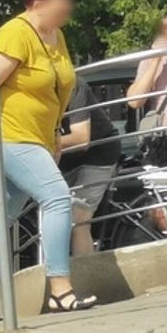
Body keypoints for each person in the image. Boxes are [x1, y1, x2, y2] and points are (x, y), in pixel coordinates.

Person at [0, 0, 96, 322]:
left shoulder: (57, 35)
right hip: (7, 136)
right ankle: (60, 289)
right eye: (63, 1)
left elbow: (58, 89)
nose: (69, 8)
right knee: (57, 197)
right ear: (40, 2)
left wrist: (52, 137)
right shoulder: (16, 33)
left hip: (35, 137)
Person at [126, 8, 167, 238]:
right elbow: (135, 101)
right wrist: (157, 59)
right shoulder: (154, 59)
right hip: (163, 142)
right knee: (161, 210)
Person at [59, 78, 121, 256]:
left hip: (98, 154)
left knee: (79, 220)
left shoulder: (73, 84)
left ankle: (87, 280)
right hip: (65, 158)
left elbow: (81, 139)